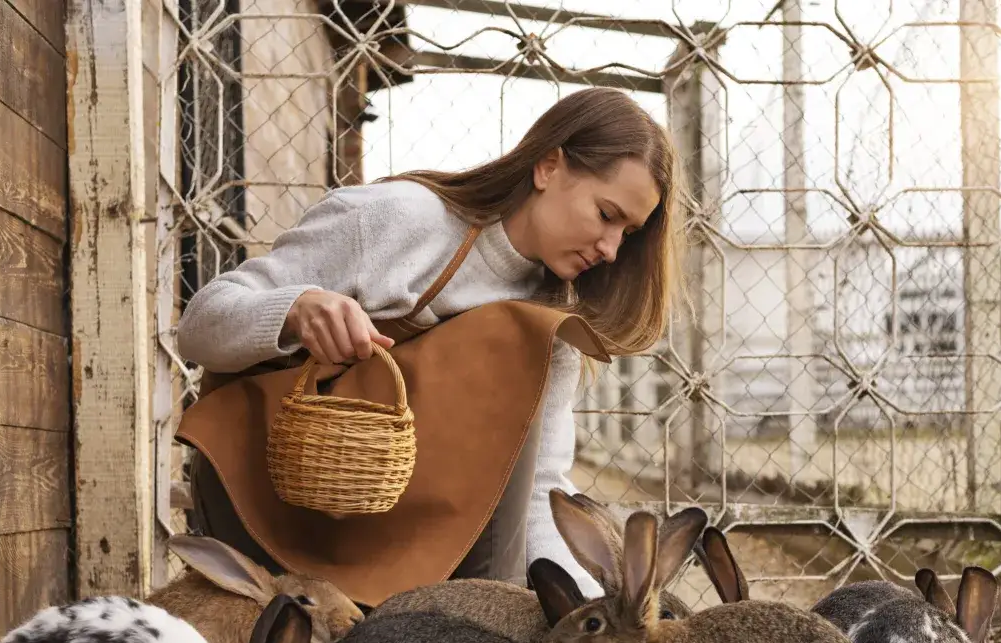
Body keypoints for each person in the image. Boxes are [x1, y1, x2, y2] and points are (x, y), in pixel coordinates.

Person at [174, 86, 685, 605]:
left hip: (414, 543)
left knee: (523, 340)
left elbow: (539, 489)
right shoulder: (402, 219)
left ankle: (481, 632)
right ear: (548, 167)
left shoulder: (551, 331)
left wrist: (594, 612)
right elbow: (199, 326)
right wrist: (296, 309)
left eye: (629, 233)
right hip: (277, 502)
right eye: (605, 214)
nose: (611, 248)